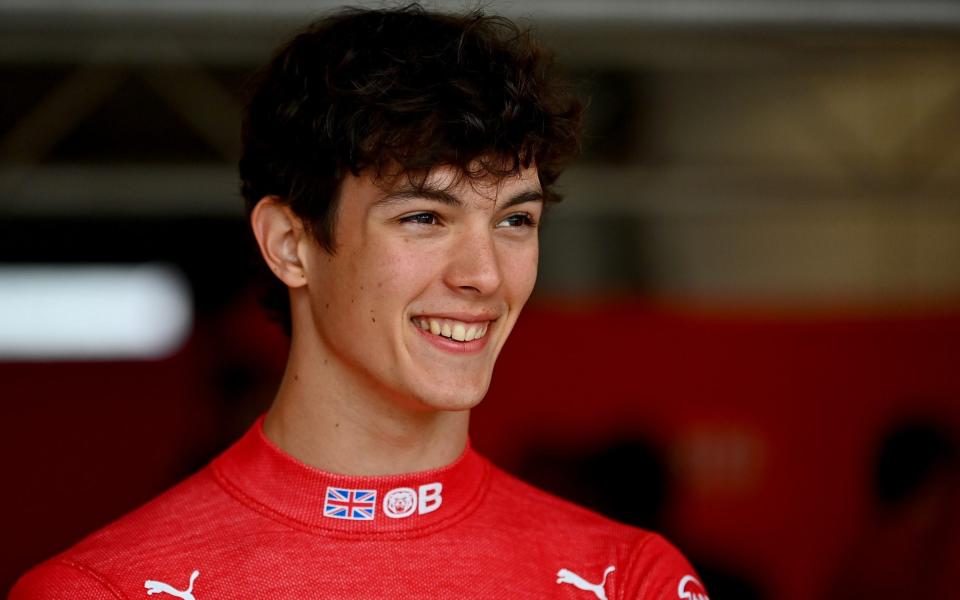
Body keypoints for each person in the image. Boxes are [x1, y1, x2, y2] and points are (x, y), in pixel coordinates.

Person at [11, 5, 706, 599]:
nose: (485, 276)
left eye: (514, 221)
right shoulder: (107, 589)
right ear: (290, 244)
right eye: (424, 218)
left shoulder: (626, 581)